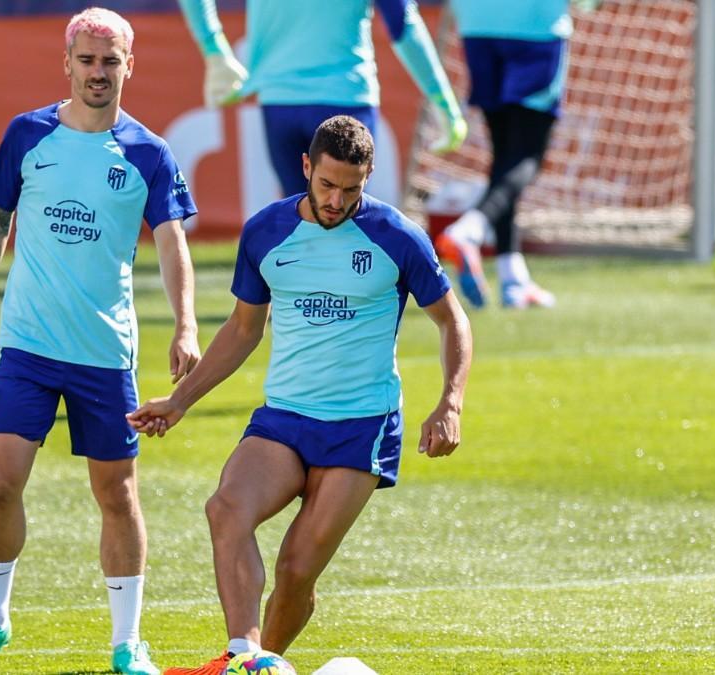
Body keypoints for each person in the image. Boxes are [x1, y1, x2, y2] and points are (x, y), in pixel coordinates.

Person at [127, 116, 472, 674]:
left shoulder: (398, 237)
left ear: (368, 178)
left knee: (295, 571)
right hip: (283, 419)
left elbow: (452, 322)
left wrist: (449, 402)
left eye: (351, 189)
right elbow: (243, 329)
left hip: (362, 428)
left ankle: (264, 665)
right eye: (327, 185)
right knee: (226, 509)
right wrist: (180, 400)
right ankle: (244, 653)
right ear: (307, 168)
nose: (337, 200)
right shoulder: (266, 232)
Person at [0, 7, 199, 675]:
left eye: (109, 61)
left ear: (129, 66)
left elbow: (172, 245)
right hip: (27, 345)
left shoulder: (149, 152)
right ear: (67, 62)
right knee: (0, 484)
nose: (97, 72)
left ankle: (126, 642)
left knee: (117, 493)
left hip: (105, 352)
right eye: (86, 60)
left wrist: (187, 323)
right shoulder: (27, 134)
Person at [178, 0, 468, 198]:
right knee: (344, 221)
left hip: (281, 104)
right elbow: (404, 26)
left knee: (303, 224)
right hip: (346, 98)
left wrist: (214, 49)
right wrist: (444, 102)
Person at [437, 0, 600, 309]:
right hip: (535, 25)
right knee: (528, 154)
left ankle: (512, 278)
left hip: (477, 24)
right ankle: (470, 229)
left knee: (504, 155)